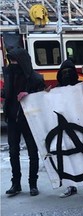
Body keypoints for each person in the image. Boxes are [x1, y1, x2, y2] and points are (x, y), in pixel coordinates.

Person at [1, 47, 46, 196]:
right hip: (13, 120)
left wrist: (29, 94)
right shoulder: (9, 75)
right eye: (11, 60)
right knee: (13, 152)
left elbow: (43, 96)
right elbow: (6, 93)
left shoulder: (35, 78)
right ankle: (16, 184)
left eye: (15, 60)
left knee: (33, 152)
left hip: (29, 120)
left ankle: (33, 184)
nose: (12, 63)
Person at [56, 59, 83, 199]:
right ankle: (70, 186)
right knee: (67, 158)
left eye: (69, 72)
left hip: (80, 127)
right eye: (64, 72)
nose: (67, 75)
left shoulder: (81, 87)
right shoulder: (56, 89)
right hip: (64, 129)